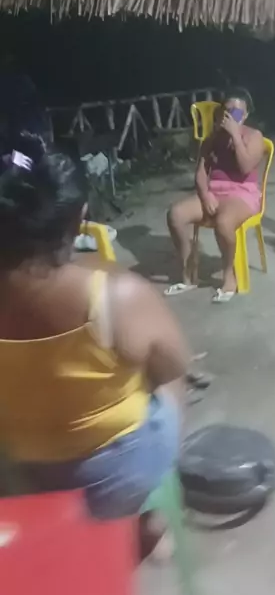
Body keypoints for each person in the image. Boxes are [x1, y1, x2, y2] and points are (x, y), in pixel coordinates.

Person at [0, 130, 189, 522]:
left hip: (22, 474)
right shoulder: (115, 293)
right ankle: (154, 504)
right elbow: (173, 365)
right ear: (81, 215)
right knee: (169, 379)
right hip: (116, 477)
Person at [166, 88, 265, 302]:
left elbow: (245, 167)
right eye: (227, 111)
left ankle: (229, 274)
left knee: (223, 222)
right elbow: (201, 172)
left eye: (236, 113)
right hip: (215, 191)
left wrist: (235, 136)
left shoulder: (254, 136)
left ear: (245, 115)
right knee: (175, 214)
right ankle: (189, 269)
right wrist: (204, 195)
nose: (230, 117)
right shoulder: (212, 138)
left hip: (242, 194)